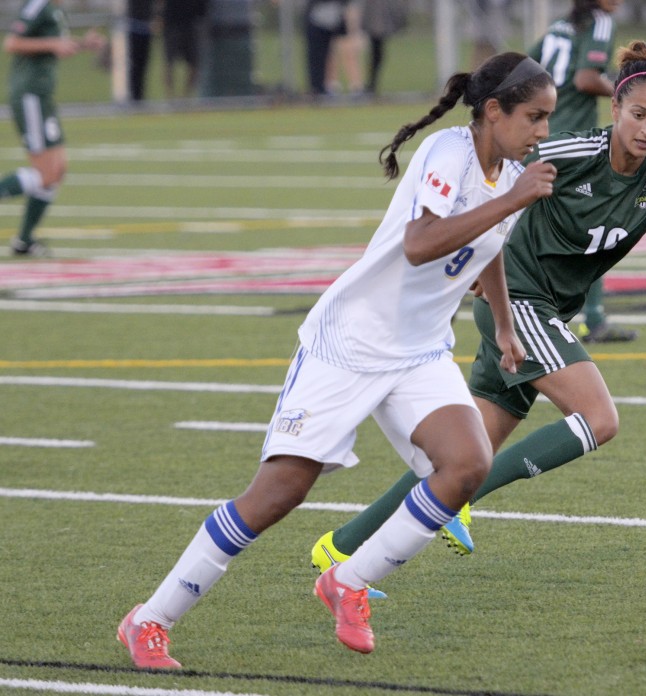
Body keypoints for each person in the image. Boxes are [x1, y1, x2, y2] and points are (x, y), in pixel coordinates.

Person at [116, 53, 556, 666]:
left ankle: (347, 581)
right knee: (277, 494)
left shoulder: (510, 171)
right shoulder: (447, 154)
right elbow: (421, 244)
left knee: (467, 465)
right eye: (534, 117)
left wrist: (505, 327)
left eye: (547, 119)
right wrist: (513, 202)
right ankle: (150, 620)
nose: (543, 132)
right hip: (348, 343)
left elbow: (488, 249)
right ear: (491, 111)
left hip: (419, 349)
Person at [310, 41, 646, 575]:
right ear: (615, 110)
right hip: (517, 304)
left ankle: (341, 545)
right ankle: (456, 500)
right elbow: (489, 184)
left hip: (543, 315)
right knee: (598, 419)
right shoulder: (564, 153)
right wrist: (473, 265)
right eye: (638, 115)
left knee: (456, 459)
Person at [529, 0, 638, 344]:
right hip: (572, 143)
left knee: (527, 229)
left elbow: (524, 70)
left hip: (538, 139)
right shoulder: (600, 22)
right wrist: (629, 94)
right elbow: (586, 77)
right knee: (595, 223)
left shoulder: (560, 27)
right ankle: (591, 319)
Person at [2, 0, 105, 257]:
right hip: (30, 94)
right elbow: (12, 43)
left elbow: (53, 46)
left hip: (43, 97)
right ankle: (24, 241)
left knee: (57, 170)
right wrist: (53, 44)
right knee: (46, 173)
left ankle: (24, 241)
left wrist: (82, 44)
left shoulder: (56, 9)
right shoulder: (38, 5)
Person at [361, 0, 407, 95]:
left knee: (378, 56)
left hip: (378, 30)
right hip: (376, 31)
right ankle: (371, 85)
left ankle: (371, 85)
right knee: (376, 56)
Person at [162, 0, 206, 98]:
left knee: (194, 63)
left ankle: (186, 98)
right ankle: (170, 98)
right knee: (169, 63)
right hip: (172, 23)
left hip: (192, 22)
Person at [125, 0, 154, 102]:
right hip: (134, 28)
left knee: (143, 64)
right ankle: (134, 96)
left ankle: (140, 96)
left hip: (146, 29)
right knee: (134, 65)